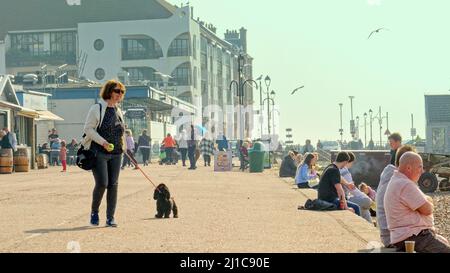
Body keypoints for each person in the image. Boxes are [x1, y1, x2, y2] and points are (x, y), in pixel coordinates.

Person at [384, 152, 450, 253]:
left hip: (408, 236)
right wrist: (427, 201)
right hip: (414, 237)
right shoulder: (405, 184)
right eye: (420, 167)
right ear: (409, 168)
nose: (422, 171)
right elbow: (427, 210)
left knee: (444, 243)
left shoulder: (397, 181)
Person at [82, 79, 126, 228]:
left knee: (113, 185)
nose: (120, 94)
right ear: (109, 91)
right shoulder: (97, 108)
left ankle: (110, 217)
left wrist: (123, 145)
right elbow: (88, 129)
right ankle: (94, 212)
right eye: (117, 91)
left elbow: (121, 131)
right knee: (102, 183)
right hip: (99, 151)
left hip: (117, 153)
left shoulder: (118, 110)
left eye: (122, 92)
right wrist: (103, 142)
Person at [377, 145, 415, 247]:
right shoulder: (399, 180)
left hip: (387, 234)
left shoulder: (389, 173)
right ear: (408, 165)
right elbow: (423, 207)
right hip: (394, 237)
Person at [317, 152, 361, 216]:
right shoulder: (334, 170)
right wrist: (346, 208)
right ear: (345, 162)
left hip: (323, 198)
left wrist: (347, 184)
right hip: (329, 200)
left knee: (346, 201)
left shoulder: (330, 167)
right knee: (356, 207)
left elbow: (339, 177)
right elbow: (340, 190)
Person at [339, 152, 373, 223]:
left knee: (364, 209)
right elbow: (352, 190)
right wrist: (366, 198)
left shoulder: (337, 169)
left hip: (340, 198)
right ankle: (369, 225)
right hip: (342, 199)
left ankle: (369, 224)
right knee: (366, 201)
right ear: (348, 162)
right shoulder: (345, 172)